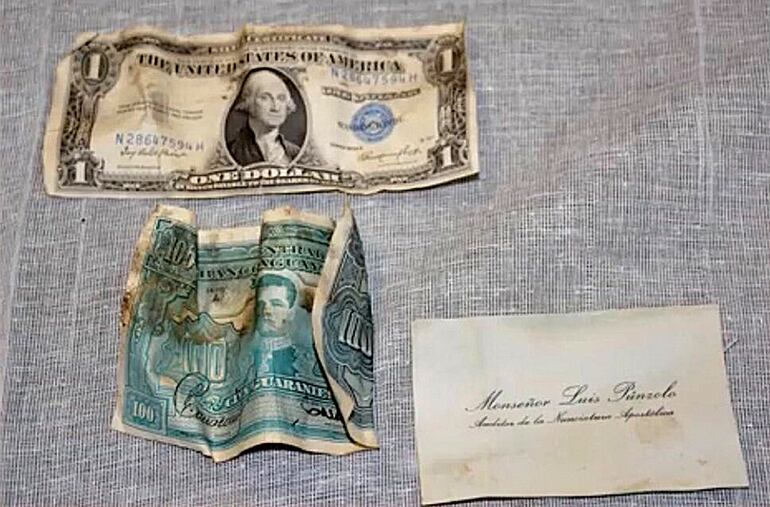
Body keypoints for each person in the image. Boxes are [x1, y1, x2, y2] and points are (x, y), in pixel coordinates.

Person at [227, 70, 301, 166]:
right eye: (265, 98)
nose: (275, 107)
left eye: (281, 98)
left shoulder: (295, 153)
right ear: (249, 102)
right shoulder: (232, 151)